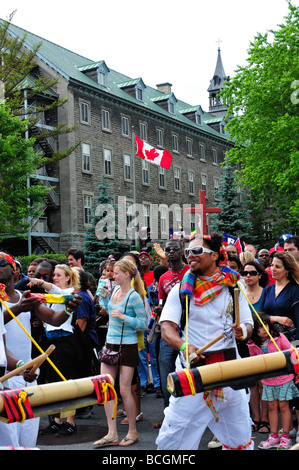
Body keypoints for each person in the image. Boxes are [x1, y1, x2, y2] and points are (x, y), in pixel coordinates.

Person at [156, 233, 254, 450]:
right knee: (175, 437)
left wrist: (243, 333)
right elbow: (166, 329)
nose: (190, 255)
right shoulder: (181, 290)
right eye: (188, 251)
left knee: (239, 437)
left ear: (215, 256)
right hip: (194, 374)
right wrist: (183, 345)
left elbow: (248, 323)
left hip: (230, 371)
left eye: (197, 251)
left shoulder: (234, 285)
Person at [0, 252, 81, 447]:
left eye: (2, 263)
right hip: (5, 377)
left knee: (27, 438)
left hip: (28, 376)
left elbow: (54, 318)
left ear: (14, 269)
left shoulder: (25, 296)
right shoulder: (17, 302)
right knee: (8, 441)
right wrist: (18, 309)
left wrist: (69, 308)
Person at [93, 259, 147, 448]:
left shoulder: (134, 297)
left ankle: (132, 432)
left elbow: (143, 324)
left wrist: (124, 317)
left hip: (127, 346)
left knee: (124, 390)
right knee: (106, 388)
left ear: (127, 274)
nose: (112, 276)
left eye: (116, 273)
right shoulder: (115, 290)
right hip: (110, 344)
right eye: (112, 273)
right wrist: (105, 299)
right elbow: (110, 311)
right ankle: (112, 433)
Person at [29, 264, 81, 437]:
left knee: (67, 381)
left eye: (59, 275)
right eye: (54, 275)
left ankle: (70, 422)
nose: (55, 278)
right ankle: (58, 420)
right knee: (53, 381)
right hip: (51, 342)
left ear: (68, 277)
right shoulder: (53, 296)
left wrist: (39, 282)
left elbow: (57, 290)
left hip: (65, 341)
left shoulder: (69, 294)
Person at [248, 313, 299, 449]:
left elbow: (292, 352)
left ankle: (286, 438)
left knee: (284, 406)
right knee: (271, 407)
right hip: (268, 382)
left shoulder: (279, 337)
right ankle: (274, 436)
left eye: (264, 325)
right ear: (253, 331)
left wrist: (297, 371)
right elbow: (254, 363)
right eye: (258, 328)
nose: (263, 329)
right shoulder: (252, 345)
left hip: (284, 379)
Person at [157, 239, 189, 420]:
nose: (171, 252)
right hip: (170, 330)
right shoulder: (163, 278)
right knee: (166, 371)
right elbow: (161, 302)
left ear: (182, 250)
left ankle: (191, 413)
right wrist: (159, 309)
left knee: (190, 370)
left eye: (175, 249)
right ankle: (169, 414)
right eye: (168, 250)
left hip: (189, 329)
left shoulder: (190, 273)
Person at [243, 261, 269, 433]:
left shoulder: (267, 293)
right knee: (252, 383)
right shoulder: (239, 294)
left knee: (265, 383)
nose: (248, 276)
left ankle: (266, 420)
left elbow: (269, 316)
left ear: (260, 275)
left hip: (265, 342)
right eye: (245, 273)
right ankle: (256, 418)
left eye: (252, 273)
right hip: (246, 343)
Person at [259, 251, 299, 340]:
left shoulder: (295, 289)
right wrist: (275, 318)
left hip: (289, 341)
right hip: (268, 340)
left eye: (278, 267)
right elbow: (259, 316)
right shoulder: (267, 290)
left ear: (287, 270)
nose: (273, 269)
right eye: (272, 265)